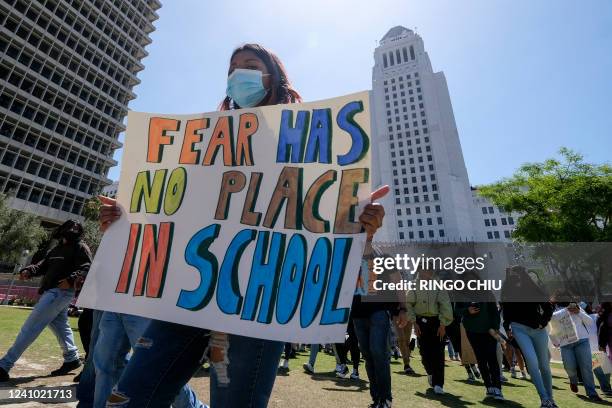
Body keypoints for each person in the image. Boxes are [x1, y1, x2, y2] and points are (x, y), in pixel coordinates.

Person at [98, 43, 388, 408]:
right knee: (131, 396)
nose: (238, 74)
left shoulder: (306, 149)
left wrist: (360, 223)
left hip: (259, 305)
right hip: (189, 295)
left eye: (250, 65)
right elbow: (173, 207)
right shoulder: (205, 141)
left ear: (274, 77)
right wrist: (124, 222)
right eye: (232, 69)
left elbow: (316, 223)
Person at [0, 220, 91, 382]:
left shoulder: (80, 247)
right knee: (60, 325)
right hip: (50, 292)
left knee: (30, 327)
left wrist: (71, 280)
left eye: (77, 228)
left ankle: (4, 365)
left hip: (61, 293)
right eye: (71, 226)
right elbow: (42, 265)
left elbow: (86, 267)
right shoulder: (56, 249)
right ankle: (72, 358)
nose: (74, 229)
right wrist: (29, 270)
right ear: (62, 229)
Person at [351, 244, 408, 408]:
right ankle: (376, 398)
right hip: (357, 313)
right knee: (368, 355)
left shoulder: (384, 257)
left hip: (379, 311)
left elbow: (397, 281)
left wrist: (403, 308)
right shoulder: (350, 259)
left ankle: (385, 398)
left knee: (378, 352)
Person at [502, 265, 556, 408]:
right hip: (519, 329)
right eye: (514, 274)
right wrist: (507, 327)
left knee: (544, 365)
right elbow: (505, 311)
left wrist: (543, 322)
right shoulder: (507, 289)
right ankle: (544, 398)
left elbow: (548, 307)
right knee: (532, 361)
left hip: (538, 330)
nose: (516, 277)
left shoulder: (532, 289)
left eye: (519, 274)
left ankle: (551, 399)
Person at [405, 268, 453, 395]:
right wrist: (414, 322)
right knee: (424, 352)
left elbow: (445, 304)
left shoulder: (439, 285)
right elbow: (409, 304)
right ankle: (430, 373)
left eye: (428, 270)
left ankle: (439, 384)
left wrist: (443, 324)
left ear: (432, 272)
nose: (425, 273)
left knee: (438, 353)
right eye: (422, 271)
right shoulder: (413, 285)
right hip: (421, 322)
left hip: (437, 322)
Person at [457, 280, 505, 401]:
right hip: (472, 331)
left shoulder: (487, 292)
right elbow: (457, 311)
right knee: (481, 359)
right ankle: (489, 387)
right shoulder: (462, 293)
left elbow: (494, 312)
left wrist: (495, 327)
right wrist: (467, 311)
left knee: (492, 359)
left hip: (489, 331)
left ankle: (497, 388)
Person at [550, 302, 602, 401]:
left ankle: (592, 393)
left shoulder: (577, 308)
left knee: (586, 366)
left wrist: (579, 312)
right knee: (569, 367)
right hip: (565, 344)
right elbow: (551, 322)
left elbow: (590, 322)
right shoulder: (555, 311)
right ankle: (573, 380)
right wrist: (554, 341)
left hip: (582, 341)